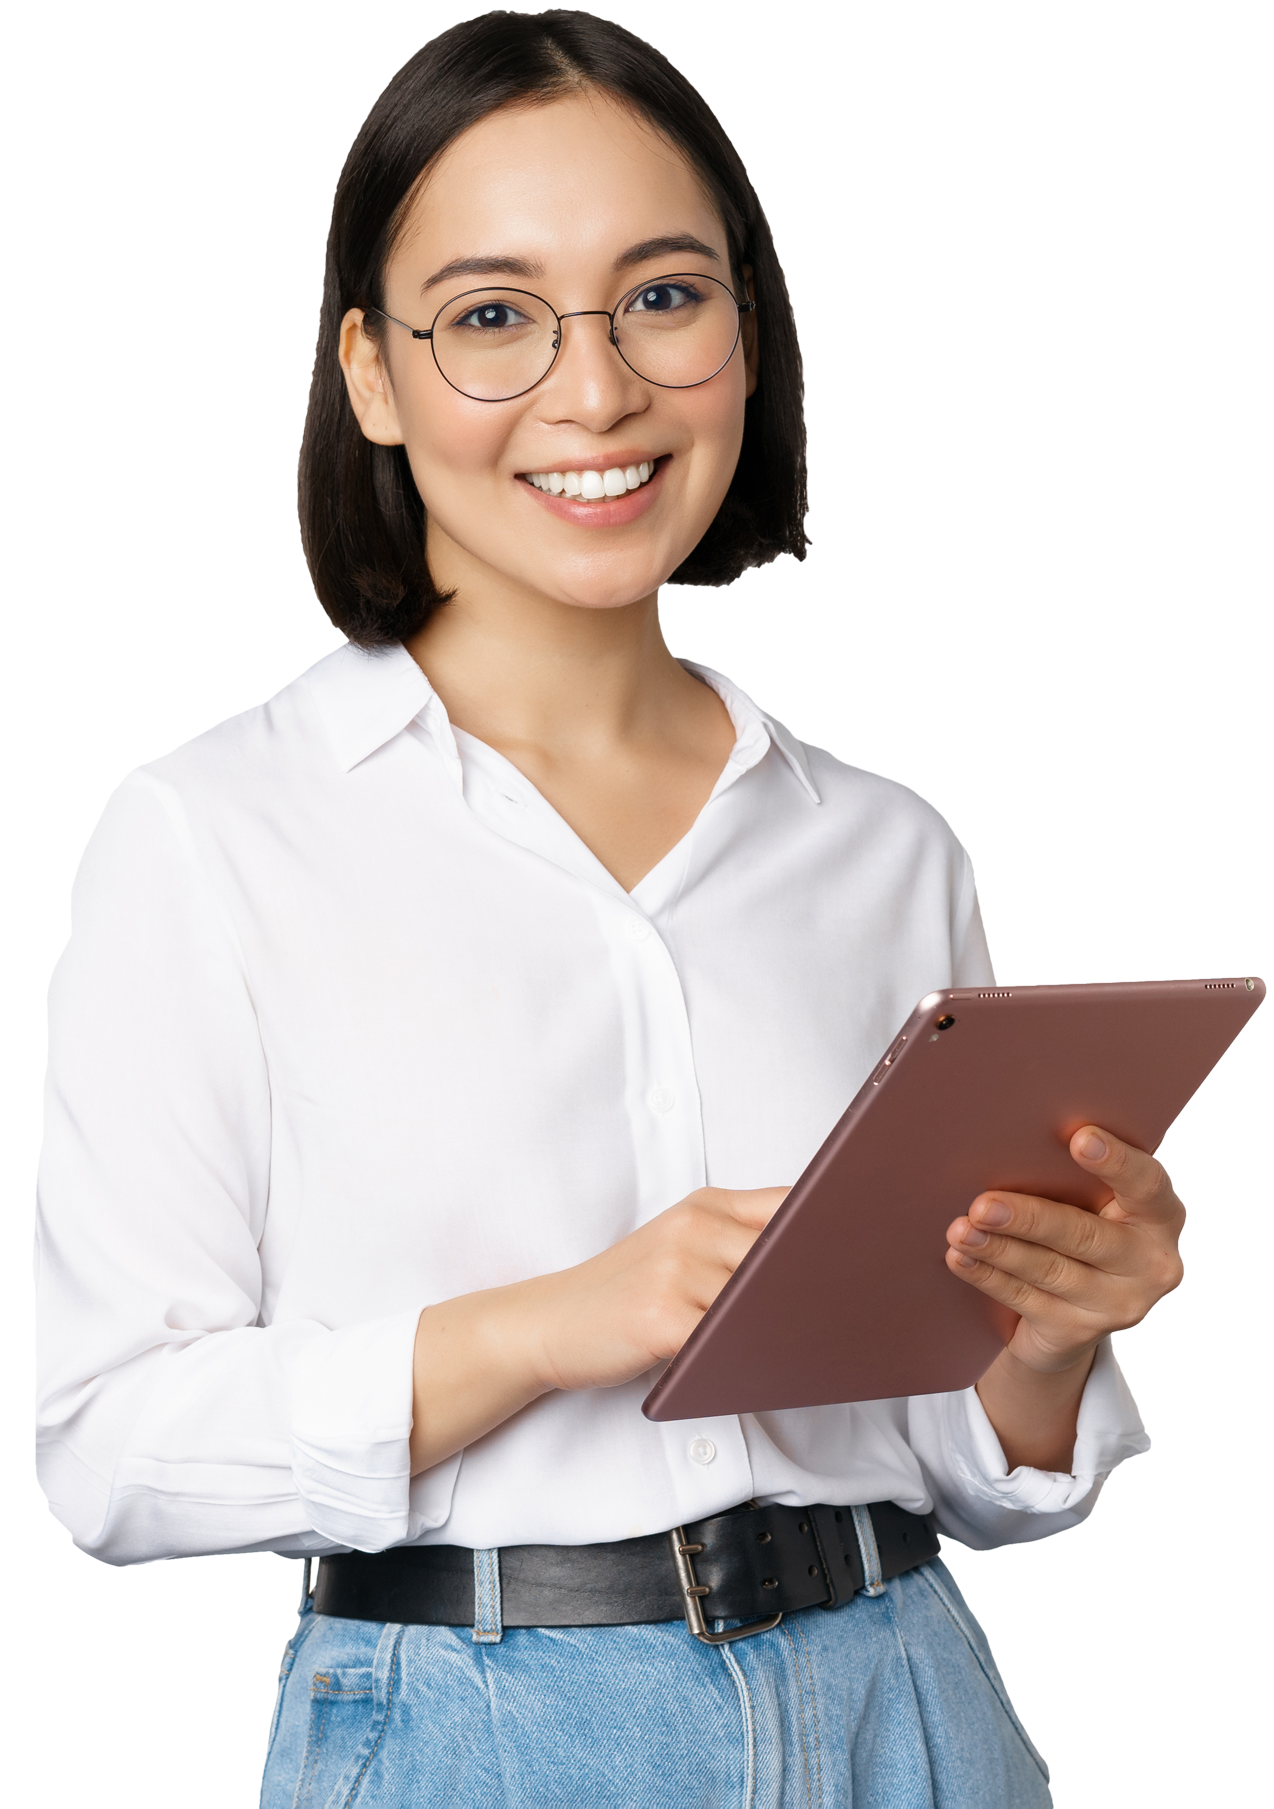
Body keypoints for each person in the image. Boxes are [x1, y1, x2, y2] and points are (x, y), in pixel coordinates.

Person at [33, 12, 1183, 1806]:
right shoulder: (210, 831)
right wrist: (555, 1322)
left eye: (664, 295)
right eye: (492, 316)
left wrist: (1045, 1336)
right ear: (371, 371)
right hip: (475, 1736)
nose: (596, 392)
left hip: (909, 1706)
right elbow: (102, 1451)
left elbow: (957, 1463)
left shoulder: (882, 849)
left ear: (747, 328)